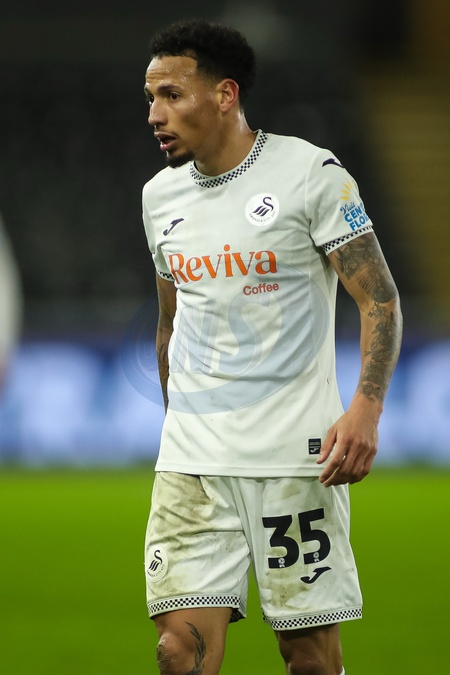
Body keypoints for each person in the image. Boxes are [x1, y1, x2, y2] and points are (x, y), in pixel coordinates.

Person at [141, 19, 402, 675]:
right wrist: (178, 423)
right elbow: (170, 320)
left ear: (225, 94)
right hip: (194, 463)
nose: (154, 115)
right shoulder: (159, 197)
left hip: (294, 459)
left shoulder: (310, 174)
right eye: (150, 98)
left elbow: (379, 299)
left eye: (171, 95)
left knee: (308, 656)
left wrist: (365, 410)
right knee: (178, 650)